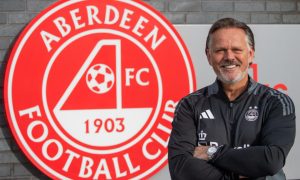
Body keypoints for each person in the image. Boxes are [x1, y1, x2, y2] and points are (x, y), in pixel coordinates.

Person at [168, 18, 296, 180]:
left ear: (250, 55)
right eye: (220, 50)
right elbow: (180, 168)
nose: (229, 57)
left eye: (236, 49)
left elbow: (271, 160)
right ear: (208, 56)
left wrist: (211, 152)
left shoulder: (276, 102)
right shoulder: (190, 105)